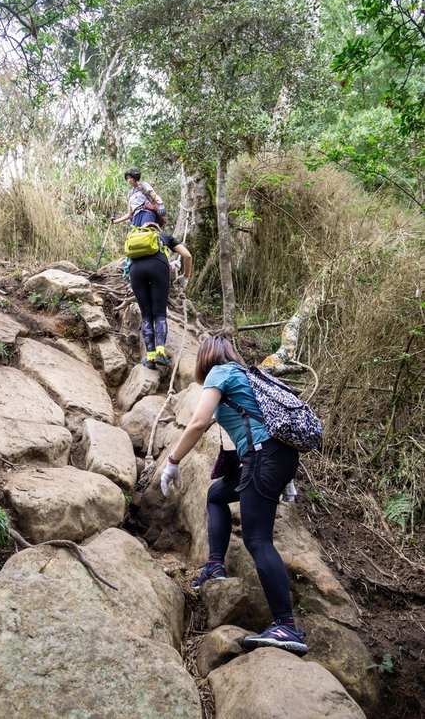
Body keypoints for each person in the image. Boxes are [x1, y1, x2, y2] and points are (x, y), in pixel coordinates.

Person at [160, 335, 308, 655]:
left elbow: (199, 422)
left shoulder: (219, 372)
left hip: (263, 459)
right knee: (217, 493)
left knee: (257, 540)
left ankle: (286, 625)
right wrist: (285, 478)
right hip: (276, 458)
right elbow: (269, 424)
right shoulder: (246, 376)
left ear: (205, 358)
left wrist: (172, 461)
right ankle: (215, 564)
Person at [128, 222, 192, 368]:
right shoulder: (164, 236)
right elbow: (187, 256)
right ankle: (160, 353)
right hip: (157, 269)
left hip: (135, 271)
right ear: (158, 230)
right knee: (159, 314)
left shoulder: (134, 237)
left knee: (146, 314)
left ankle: (150, 357)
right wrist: (186, 276)